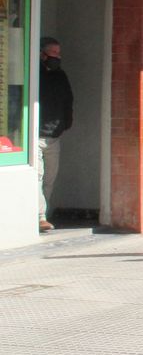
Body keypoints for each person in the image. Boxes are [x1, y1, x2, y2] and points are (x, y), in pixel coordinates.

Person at [37, 36, 72, 232]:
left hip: (54, 135)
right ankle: (40, 216)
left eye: (59, 53)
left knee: (49, 177)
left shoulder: (61, 76)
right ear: (42, 54)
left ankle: (43, 212)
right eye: (54, 53)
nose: (57, 57)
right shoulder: (35, 75)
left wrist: (65, 123)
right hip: (35, 135)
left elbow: (69, 101)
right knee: (38, 175)